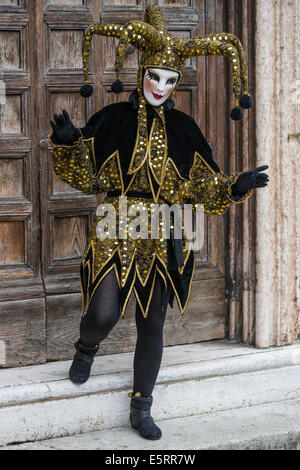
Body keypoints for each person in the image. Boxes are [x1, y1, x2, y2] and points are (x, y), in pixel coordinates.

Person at [48, 5, 269, 441]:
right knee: (103, 312)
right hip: (117, 222)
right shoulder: (113, 118)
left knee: (152, 322)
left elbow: (203, 187)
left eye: (170, 81)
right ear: (140, 74)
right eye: (155, 77)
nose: (161, 88)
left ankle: (141, 406)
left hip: (165, 228)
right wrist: (69, 143)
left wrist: (235, 185)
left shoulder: (185, 128)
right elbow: (84, 174)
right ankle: (86, 346)